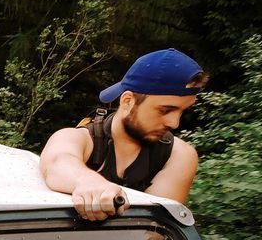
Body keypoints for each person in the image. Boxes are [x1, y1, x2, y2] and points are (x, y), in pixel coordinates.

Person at [40, 48, 208, 221]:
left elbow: (153, 228)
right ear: (128, 101)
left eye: (182, 111)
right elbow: (57, 162)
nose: (174, 123)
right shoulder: (79, 138)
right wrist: (88, 182)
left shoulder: (177, 155)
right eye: (165, 110)